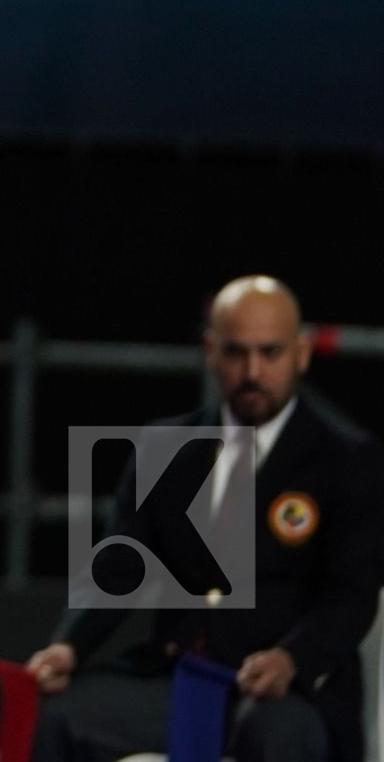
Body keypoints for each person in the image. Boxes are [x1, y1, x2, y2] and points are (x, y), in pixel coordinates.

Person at [25, 276, 384, 762]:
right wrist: (68, 646)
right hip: (179, 680)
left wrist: (292, 659)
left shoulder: (345, 458)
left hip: (283, 693)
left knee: (280, 739)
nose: (252, 371)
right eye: (236, 352)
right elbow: (117, 569)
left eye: (270, 352)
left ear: (301, 353)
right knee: (57, 715)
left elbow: (351, 595)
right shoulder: (163, 447)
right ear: (211, 351)